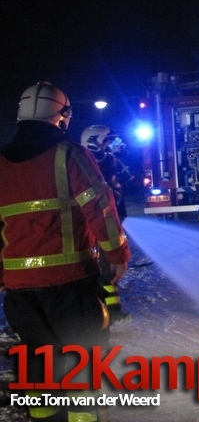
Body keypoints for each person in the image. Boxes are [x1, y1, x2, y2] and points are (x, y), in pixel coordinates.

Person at [0, 82, 130, 422]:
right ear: (63, 116)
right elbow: (100, 208)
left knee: (39, 359)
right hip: (70, 286)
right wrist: (117, 255)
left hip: (19, 293)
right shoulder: (69, 154)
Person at [81, 124, 133, 325]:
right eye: (107, 143)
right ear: (93, 143)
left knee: (108, 270)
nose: (109, 147)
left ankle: (112, 312)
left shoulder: (108, 163)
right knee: (100, 270)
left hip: (109, 222)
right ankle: (105, 312)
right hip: (95, 226)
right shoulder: (87, 166)